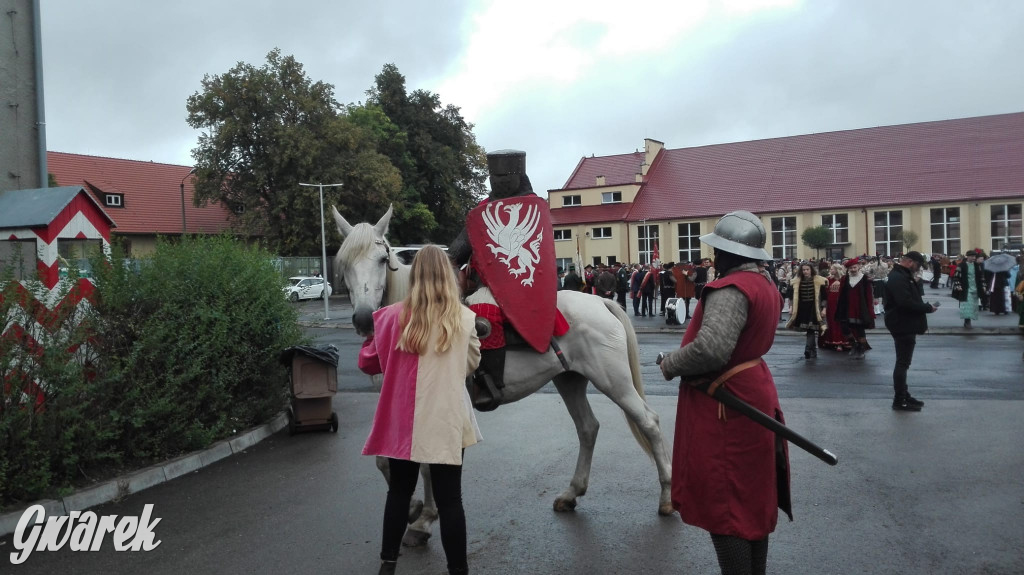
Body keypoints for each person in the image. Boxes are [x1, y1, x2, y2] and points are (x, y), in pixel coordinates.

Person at [659, 210, 790, 575]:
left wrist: (670, 363)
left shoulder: (733, 288)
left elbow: (710, 350)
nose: (714, 258)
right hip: (749, 391)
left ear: (731, 254)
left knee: (728, 506)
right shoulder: (763, 283)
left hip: (729, 405)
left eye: (719, 251)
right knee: (749, 502)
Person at [358, 245, 482, 575]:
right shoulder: (465, 319)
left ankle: (387, 565)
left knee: (399, 492)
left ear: (414, 278)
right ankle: (459, 570)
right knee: (450, 500)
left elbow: (367, 363)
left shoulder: (387, 318)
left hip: (403, 421)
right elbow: (471, 362)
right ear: (448, 277)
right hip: (445, 419)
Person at [884, 251, 936, 412]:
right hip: (902, 323)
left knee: (903, 363)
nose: (918, 268)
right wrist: (927, 308)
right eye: (918, 265)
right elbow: (905, 302)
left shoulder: (902, 275)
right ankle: (899, 400)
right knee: (902, 363)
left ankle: (904, 395)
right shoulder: (899, 277)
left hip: (904, 323)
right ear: (910, 262)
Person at [835, 258, 876, 359]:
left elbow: (868, 295)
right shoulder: (845, 278)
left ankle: (861, 348)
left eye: (855, 267)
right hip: (847, 306)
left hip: (860, 307)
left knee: (859, 328)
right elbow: (841, 293)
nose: (853, 269)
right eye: (851, 268)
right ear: (848, 269)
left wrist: (870, 309)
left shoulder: (864, 279)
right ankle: (854, 345)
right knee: (844, 327)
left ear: (858, 267)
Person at [786, 262, 827, 359]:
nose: (805, 271)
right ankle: (812, 350)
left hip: (814, 308)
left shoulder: (819, 280)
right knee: (810, 330)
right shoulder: (796, 281)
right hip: (802, 308)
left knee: (811, 329)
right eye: (804, 270)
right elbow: (791, 296)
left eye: (807, 269)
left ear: (811, 270)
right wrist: (791, 307)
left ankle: (808, 349)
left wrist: (824, 308)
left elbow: (824, 296)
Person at [818, 263, 849, 352]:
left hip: (841, 304)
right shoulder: (828, 280)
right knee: (832, 322)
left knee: (841, 323)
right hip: (831, 304)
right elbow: (825, 294)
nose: (830, 271)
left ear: (837, 270)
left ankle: (842, 342)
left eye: (832, 269)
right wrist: (824, 307)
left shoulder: (844, 279)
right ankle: (832, 341)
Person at [952, 251, 985, 328]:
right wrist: (958, 285)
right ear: (967, 257)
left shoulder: (977, 265)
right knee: (967, 305)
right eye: (972, 256)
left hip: (975, 288)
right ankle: (967, 321)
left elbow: (981, 276)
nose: (974, 258)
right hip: (966, 288)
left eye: (974, 256)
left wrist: (983, 285)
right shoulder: (961, 265)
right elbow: (956, 276)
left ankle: (968, 321)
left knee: (973, 306)